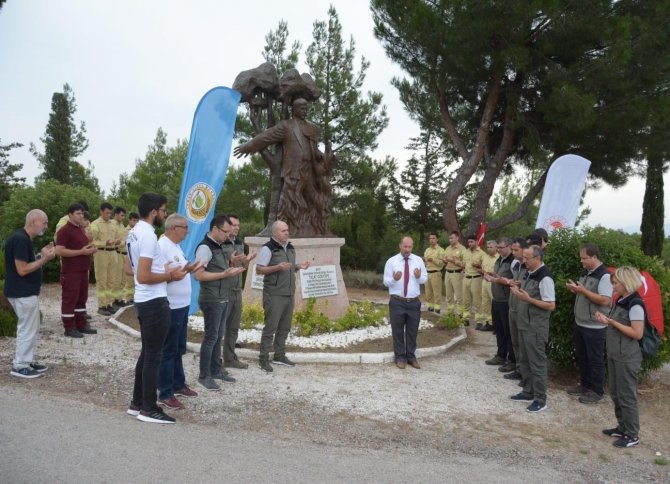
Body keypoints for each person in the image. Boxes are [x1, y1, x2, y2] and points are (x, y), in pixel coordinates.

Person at [126, 192, 189, 424]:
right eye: (163, 210)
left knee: (147, 353)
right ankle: (149, 408)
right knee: (154, 356)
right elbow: (142, 276)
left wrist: (164, 272)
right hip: (153, 301)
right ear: (154, 212)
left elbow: (129, 270)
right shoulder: (149, 235)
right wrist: (169, 275)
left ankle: (137, 402)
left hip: (143, 300)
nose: (164, 214)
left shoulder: (132, 233)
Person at [233, 98, 336, 237]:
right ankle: (287, 229)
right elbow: (265, 137)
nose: (305, 111)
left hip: (310, 170)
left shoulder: (312, 128)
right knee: (289, 201)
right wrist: (247, 146)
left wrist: (324, 157)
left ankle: (320, 228)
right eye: (302, 108)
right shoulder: (286, 126)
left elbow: (314, 150)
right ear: (294, 109)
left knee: (315, 199)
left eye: (306, 108)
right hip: (294, 170)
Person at [193, 214, 246, 390]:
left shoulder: (219, 245)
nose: (227, 235)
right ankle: (204, 375)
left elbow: (220, 265)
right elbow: (198, 275)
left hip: (223, 297)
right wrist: (223, 275)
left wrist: (233, 261)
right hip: (211, 299)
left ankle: (216, 370)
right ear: (215, 229)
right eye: (225, 231)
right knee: (210, 337)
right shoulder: (204, 247)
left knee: (218, 336)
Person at [595, 267, 645, 448]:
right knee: (616, 392)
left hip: (627, 356)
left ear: (626, 282)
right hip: (616, 353)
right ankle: (622, 427)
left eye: (616, 283)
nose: (613, 287)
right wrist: (605, 319)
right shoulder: (622, 300)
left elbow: (637, 333)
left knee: (626, 395)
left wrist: (611, 322)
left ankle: (632, 434)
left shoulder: (635, 303)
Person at [157, 214, 202, 409]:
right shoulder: (162, 246)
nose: (188, 231)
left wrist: (188, 268)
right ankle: (165, 392)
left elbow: (178, 270)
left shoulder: (175, 247)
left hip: (182, 305)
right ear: (174, 227)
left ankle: (178, 383)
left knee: (178, 348)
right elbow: (154, 276)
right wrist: (173, 275)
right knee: (168, 350)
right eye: (185, 227)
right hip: (171, 305)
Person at [4, 209, 56, 378]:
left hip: (25, 292)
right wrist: (45, 259)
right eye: (45, 222)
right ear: (33, 221)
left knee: (32, 328)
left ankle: (27, 360)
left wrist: (41, 254)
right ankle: (19, 365)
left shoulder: (24, 239)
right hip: (22, 292)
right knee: (27, 329)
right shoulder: (20, 239)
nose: (46, 226)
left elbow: (27, 262)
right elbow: (22, 269)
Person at [255, 220, 310, 372]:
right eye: (283, 231)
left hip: (288, 293)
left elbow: (289, 268)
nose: (287, 232)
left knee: (284, 327)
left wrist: (299, 266)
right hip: (274, 293)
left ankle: (279, 356)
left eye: (287, 230)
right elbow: (259, 270)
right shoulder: (268, 248)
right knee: (271, 327)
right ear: (274, 233)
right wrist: (277, 267)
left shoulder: (290, 247)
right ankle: (263, 359)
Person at [510, 245, 555, 413]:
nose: (524, 261)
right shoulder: (531, 274)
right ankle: (528, 391)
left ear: (537, 258)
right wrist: (520, 286)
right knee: (525, 360)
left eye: (527, 258)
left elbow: (550, 305)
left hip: (535, 327)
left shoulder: (545, 278)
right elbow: (530, 294)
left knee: (537, 363)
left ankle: (540, 399)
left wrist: (527, 299)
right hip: (524, 324)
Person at [565, 244, 612, 404]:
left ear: (594, 257)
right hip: (581, 323)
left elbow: (605, 300)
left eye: (584, 258)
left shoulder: (605, 276)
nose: (581, 261)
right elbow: (587, 293)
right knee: (583, 357)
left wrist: (583, 291)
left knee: (595, 359)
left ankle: (597, 391)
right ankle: (585, 385)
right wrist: (577, 290)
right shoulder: (587, 272)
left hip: (595, 326)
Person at [383, 236, 428, 369]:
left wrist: (420, 276)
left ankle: (411, 357)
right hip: (397, 302)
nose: (407, 249)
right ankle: (400, 357)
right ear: (400, 246)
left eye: (410, 247)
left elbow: (424, 279)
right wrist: (394, 279)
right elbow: (386, 281)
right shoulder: (391, 261)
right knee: (397, 331)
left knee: (412, 331)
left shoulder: (418, 260)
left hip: (413, 302)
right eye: (405, 246)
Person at [55, 203, 98, 338]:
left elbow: (81, 247)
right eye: (78, 213)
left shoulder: (80, 229)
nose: (81, 216)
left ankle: (81, 324)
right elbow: (59, 250)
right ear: (70, 215)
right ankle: (69, 327)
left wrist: (90, 249)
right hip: (71, 271)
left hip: (82, 270)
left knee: (81, 298)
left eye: (82, 213)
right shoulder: (64, 230)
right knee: (70, 298)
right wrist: (81, 252)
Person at [222, 213, 256, 369]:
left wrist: (247, 262)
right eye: (234, 225)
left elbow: (243, 267)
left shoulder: (240, 242)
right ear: (226, 226)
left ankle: (229, 358)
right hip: (223, 290)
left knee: (233, 326)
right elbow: (214, 265)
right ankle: (215, 362)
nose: (236, 228)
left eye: (238, 225)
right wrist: (230, 261)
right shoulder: (220, 243)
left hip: (236, 290)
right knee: (219, 328)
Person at [483, 237, 515, 371]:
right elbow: (499, 275)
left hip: (506, 300)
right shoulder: (499, 259)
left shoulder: (513, 261)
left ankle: (511, 359)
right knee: (499, 330)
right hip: (496, 299)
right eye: (498, 248)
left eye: (501, 247)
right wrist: (492, 276)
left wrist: (499, 280)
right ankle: (500, 355)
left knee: (508, 331)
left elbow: (515, 280)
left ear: (508, 246)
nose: (499, 250)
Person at [90, 202, 121, 316]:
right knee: (102, 280)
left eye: (110, 213)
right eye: (107, 213)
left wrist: (117, 241)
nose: (109, 215)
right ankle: (102, 306)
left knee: (111, 280)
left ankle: (109, 304)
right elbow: (91, 242)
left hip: (113, 253)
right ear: (101, 212)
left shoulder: (112, 224)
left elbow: (119, 238)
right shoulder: (95, 224)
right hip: (101, 253)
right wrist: (105, 242)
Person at [504, 238, 528, 381]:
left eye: (516, 250)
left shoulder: (528, 267)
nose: (513, 253)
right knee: (515, 341)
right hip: (513, 306)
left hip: (523, 309)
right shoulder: (517, 265)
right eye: (512, 250)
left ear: (524, 249)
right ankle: (519, 369)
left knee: (523, 342)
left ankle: (525, 373)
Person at [461, 234, 485, 325]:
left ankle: (479, 320)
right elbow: (463, 264)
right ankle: (465, 319)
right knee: (466, 300)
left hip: (476, 279)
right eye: (468, 242)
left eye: (471, 242)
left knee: (477, 300)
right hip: (466, 278)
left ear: (476, 242)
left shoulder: (482, 253)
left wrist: (479, 266)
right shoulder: (465, 252)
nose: (470, 243)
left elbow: (485, 268)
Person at [442, 231, 465, 315]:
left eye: (452, 238)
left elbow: (464, 264)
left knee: (459, 296)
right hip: (447, 273)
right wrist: (444, 260)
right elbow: (444, 260)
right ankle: (450, 313)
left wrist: (454, 260)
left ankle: (461, 314)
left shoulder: (462, 249)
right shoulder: (447, 248)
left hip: (457, 273)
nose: (450, 240)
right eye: (449, 238)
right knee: (449, 296)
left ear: (457, 237)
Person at [477, 240, 498, 330]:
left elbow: (500, 273)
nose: (489, 249)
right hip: (484, 281)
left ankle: (496, 324)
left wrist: (491, 273)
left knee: (494, 303)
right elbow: (483, 269)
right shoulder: (485, 257)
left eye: (491, 247)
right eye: (488, 247)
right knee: (485, 303)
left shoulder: (499, 258)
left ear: (496, 248)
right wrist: (481, 271)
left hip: (494, 283)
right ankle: (488, 323)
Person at [111, 206, 129, 307]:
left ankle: (119, 298)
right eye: (122, 215)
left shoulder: (122, 226)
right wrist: (123, 242)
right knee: (116, 279)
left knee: (123, 279)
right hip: (117, 253)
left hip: (124, 254)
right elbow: (113, 241)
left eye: (124, 216)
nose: (123, 217)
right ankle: (114, 300)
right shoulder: (112, 225)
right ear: (116, 214)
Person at [422, 232, 444, 313]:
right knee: (428, 292)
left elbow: (442, 263)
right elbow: (425, 262)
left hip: (436, 272)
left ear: (437, 239)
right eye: (430, 238)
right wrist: (423, 260)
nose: (431, 240)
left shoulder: (441, 250)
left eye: (433, 238)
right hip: (427, 272)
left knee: (436, 291)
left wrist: (433, 260)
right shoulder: (427, 250)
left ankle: (437, 308)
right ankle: (430, 307)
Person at [122, 212, 139, 303]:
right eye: (133, 220)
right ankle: (128, 299)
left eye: (137, 220)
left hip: (135, 257)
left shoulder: (138, 231)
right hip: (128, 256)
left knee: (135, 279)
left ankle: (133, 297)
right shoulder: (126, 231)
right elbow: (125, 245)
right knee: (129, 281)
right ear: (129, 220)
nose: (135, 222)